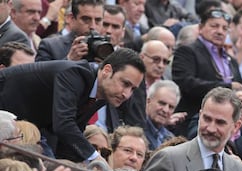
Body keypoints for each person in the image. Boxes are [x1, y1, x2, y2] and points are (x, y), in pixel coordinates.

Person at [0, 48, 145, 162]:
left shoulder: (101, 94)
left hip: (22, 126)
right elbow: (64, 124)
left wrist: (79, 167)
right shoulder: (74, 74)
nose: (127, 94)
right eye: (125, 84)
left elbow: (71, 137)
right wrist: (93, 157)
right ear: (107, 71)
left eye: (132, 89)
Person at [172, 8, 242, 138]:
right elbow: (186, 82)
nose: (220, 31)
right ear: (200, 27)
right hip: (194, 123)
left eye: (224, 28)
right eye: (214, 26)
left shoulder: (231, 60)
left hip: (226, 126)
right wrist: (228, 88)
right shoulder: (187, 51)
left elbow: (240, 85)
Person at [36, 0, 105, 61]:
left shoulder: (108, 49)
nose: (93, 26)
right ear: (71, 18)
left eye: (98, 20)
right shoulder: (50, 46)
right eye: (86, 19)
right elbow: (41, 75)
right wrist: (69, 60)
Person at [144, 80, 180, 150]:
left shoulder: (171, 139)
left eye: (171, 107)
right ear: (148, 101)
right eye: (162, 103)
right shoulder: (136, 131)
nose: (165, 110)